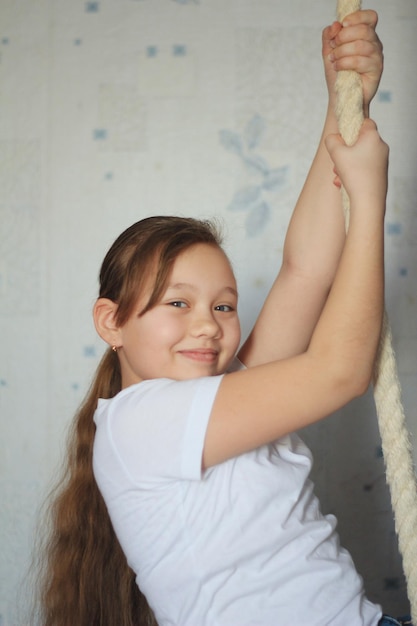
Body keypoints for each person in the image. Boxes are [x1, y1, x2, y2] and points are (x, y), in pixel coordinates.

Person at [35, 8, 408, 626]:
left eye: (224, 305)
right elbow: (341, 371)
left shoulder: (227, 396)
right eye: (177, 303)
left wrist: (343, 106)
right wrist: (369, 200)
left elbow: (305, 272)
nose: (208, 324)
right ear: (111, 323)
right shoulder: (140, 423)